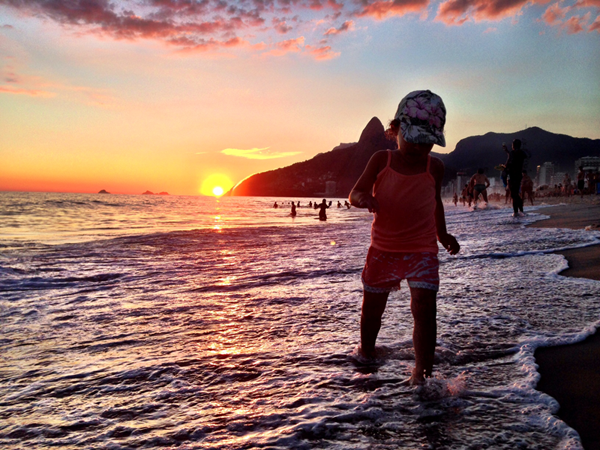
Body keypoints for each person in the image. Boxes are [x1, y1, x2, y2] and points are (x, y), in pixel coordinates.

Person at [349, 90, 460, 385]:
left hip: (422, 248)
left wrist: (443, 234)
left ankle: (421, 372)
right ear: (395, 130)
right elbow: (355, 192)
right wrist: (365, 200)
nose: (418, 148)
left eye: (426, 142)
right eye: (412, 139)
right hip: (383, 248)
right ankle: (367, 354)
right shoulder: (380, 160)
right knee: (373, 308)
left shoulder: (433, 166)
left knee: (425, 309)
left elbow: (434, 202)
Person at [503, 140, 527, 217]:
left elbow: (508, 163)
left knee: (514, 195)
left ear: (514, 145)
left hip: (512, 175)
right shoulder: (522, 153)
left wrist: (504, 168)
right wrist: (507, 151)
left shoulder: (513, 153)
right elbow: (515, 156)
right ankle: (521, 211)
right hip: (518, 175)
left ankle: (516, 213)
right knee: (516, 193)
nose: (511, 146)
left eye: (512, 145)